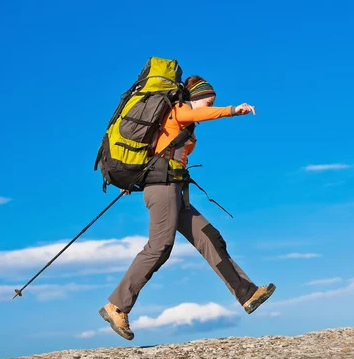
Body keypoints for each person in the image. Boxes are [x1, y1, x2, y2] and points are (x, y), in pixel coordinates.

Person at [98, 76, 276, 340]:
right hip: (163, 190)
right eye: (208, 99)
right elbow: (203, 113)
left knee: (209, 237)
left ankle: (247, 293)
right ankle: (117, 306)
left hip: (176, 191)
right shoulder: (179, 111)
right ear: (194, 98)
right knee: (159, 247)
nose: (211, 103)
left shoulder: (181, 121)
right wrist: (231, 110)